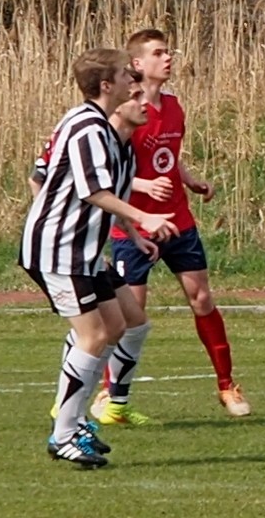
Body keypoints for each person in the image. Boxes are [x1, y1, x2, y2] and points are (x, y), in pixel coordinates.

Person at [22, 48, 173, 469]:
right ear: (107, 86)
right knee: (93, 335)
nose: (135, 82)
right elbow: (92, 192)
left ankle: (75, 419)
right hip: (60, 250)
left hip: (83, 251)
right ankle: (65, 432)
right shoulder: (87, 126)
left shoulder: (113, 140)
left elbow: (109, 197)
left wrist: (131, 235)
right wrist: (143, 217)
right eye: (128, 77)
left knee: (122, 323)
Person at [95, 27, 248, 424]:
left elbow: (167, 155)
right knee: (132, 313)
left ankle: (227, 385)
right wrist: (143, 186)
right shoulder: (123, 111)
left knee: (202, 299)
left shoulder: (174, 106)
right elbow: (106, 172)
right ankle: (108, 394)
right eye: (159, 53)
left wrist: (189, 179)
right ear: (137, 64)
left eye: (169, 52)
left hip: (178, 220)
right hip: (134, 226)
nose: (168, 58)